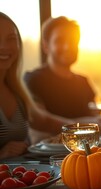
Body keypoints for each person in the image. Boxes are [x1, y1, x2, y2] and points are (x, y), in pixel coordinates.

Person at [0, 12, 72, 160]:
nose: (3, 46)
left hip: (23, 178)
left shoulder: (16, 91)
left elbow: (46, 122)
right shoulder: (34, 78)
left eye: (11, 39)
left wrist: (90, 126)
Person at [24, 16, 96, 119]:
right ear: (46, 46)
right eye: (59, 41)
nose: (67, 46)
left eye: (73, 41)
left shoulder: (84, 82)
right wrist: (86, 124)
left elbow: (96, 118)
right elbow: (40, 122)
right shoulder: (34, 80)